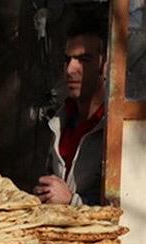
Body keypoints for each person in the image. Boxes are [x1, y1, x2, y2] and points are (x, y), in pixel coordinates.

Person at [34, 21, 107, 205]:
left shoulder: (115, 129)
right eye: (67, 60)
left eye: (83, 60)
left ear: (105, 66)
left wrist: (71, 202)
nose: (70, 70)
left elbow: (124, 206)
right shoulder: (60, 121)